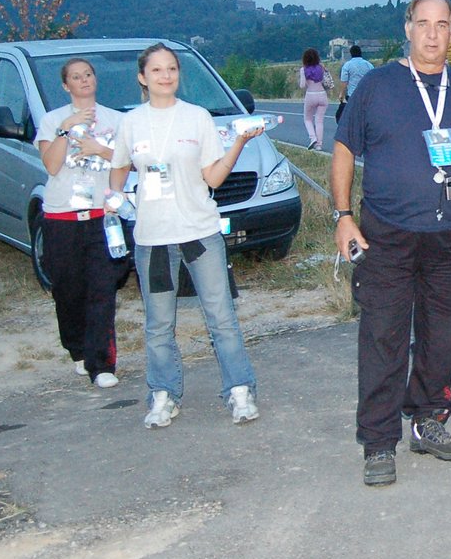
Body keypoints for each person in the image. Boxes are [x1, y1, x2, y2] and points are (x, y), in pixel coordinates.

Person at [331, 0, 451, 487]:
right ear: (408, 28)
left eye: (442, 25)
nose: (431, 34)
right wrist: (343, 216)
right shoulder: (378, 86)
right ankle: (379, 442)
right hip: (387, 235)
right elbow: (343, 149)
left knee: (443, 335)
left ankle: (428, 421)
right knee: (383, 337)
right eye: (422, 24)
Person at [109, 43, 261, 430]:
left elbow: (212, 177)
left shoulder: (197, 119)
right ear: (143, 77)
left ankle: (239, 390)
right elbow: (119, 167)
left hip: (199, 232)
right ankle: (163, 395)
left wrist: (238, 143)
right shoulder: (131, 123)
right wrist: (117, 204)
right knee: (158, 323)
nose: (165, 76)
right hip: (154, 239)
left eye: (172, 69)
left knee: (221, 317)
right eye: (157, 70)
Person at [34, 58, 130, 389]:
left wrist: (98, 149)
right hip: (62, 216)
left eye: (88, 74)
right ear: (66, 85)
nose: (84, 80)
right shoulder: (51, 120)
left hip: (101, 215)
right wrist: (67, 128)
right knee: (68, 290)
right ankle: (77, 349)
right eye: (76, 77)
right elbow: (51, 164)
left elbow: (124, 163)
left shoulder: (116, 120)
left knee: (102, 288)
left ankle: (102, 363)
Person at [298, 48, 332, 149]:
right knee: (319, 120)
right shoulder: (321, 67)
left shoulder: (303, 70)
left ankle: (313, 138)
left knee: (307, 119)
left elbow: (302, 85)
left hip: (310, 95)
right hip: (322, 94)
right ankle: (319, 145)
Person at [336, 44, 373, 123]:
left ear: (351, 53)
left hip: (352, 95)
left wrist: (341, 94)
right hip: (366, 95)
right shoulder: (368, 65)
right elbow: (373, 80)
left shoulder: (347, 65)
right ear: (360, 53)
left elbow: (344, 82)